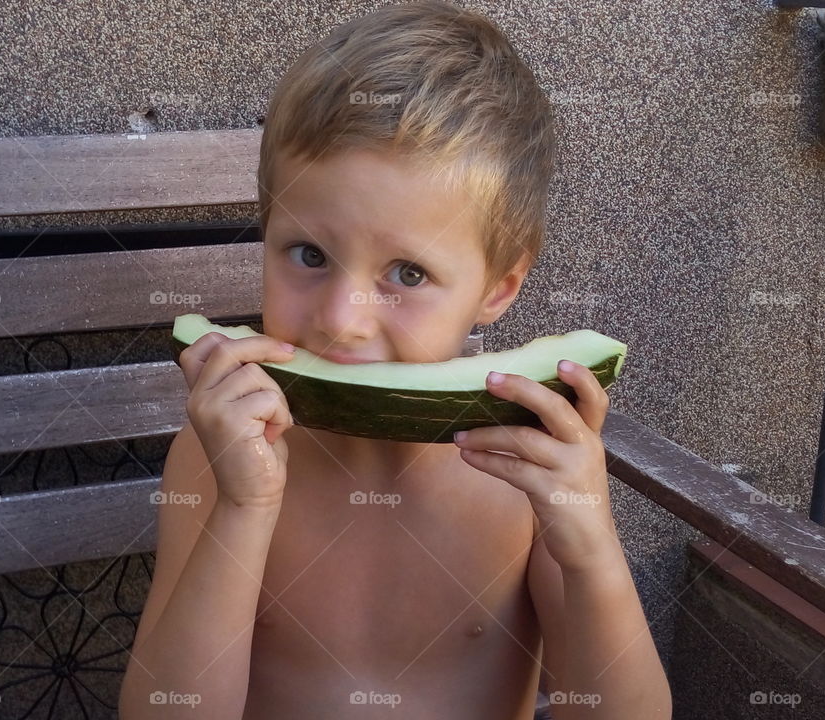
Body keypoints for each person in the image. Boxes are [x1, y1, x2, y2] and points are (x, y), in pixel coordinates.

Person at [119, 2, 671, 718]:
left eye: (406, 274)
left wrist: (591, 554)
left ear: (498, 287)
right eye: (309, 254)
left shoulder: (527, 479)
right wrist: (243, 509)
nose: (343, 321)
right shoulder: (215, 458)